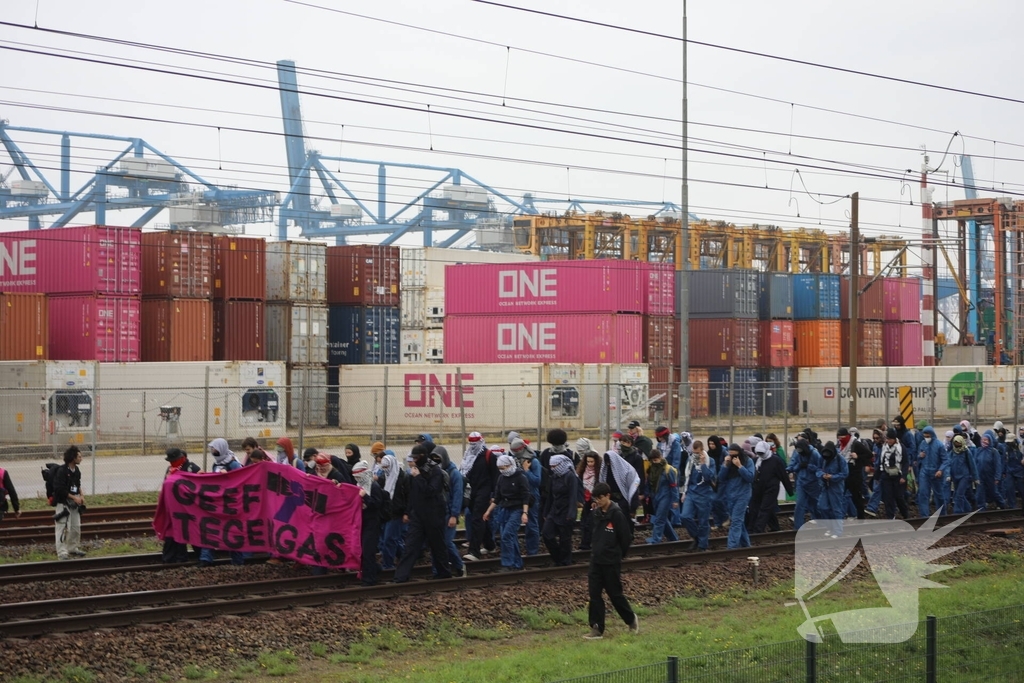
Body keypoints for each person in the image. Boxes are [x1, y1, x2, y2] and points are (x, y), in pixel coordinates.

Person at [583, 482, 639, 640]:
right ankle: (596, 627)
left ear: (608, 496)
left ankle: (631, 619)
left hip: (611, 561)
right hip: (596, 560)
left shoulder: (617, 514)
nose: (599, 501)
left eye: (601, 498)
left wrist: (617, 555)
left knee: (615, 594)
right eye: (596, 498)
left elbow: (625, 538)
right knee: (594, 594)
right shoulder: (596, 513)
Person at [393, 445, 452, 582]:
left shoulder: (434, 470)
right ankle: (400, 577)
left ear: (423, 456)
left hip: (434, 514)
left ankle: (444, 574)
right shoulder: (414, 472)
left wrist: (419, 477)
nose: (414, 460)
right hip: (418, 515)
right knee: (410, 546)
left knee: (437, 546)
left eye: (416, 457)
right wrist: (408, 512)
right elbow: (412, 495)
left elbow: (431, 491)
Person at [483, 454, 531, 572]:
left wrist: (525, 513)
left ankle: (508, 563)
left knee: (507, 536)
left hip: (517, 509)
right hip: (505, 509)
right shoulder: (501, 478)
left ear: (510, 465)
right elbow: (497, 497)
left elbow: (526, 496)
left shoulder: (521, 478)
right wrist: (488, 511)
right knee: (510, 537)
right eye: (500, 468)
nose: (502, 471)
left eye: (503, 468)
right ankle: (517, 563)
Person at [462, 434, 499, 562]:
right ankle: (489, 545)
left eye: (475, 442)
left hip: (484, 492)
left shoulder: (489, 455)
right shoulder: (468, 455)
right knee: (482, 519)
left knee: (477, 519)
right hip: (472, 491)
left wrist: (494, 495)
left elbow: (495, 477)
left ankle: (474, 551)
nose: (473, 445)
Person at [431, 447, 467, 578]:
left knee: (446, 542)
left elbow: (457, 495)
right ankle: (437, 571)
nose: (436, 462)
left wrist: (454, 515)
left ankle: (459, 565)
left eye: (438, 459)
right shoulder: (434, 472)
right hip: (437, 513)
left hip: (448, 513)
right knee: (436, 543)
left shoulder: (454, 474)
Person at [542, 453, 580, 565]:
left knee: (565, 539)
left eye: (555, 466)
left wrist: (571, 514)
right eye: (551, 467)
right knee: (546, 534)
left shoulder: (570, 477)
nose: (553, 469)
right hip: (554, 510)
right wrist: (546, 512)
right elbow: (550, 496)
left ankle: (565, 562)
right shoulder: (554, 477)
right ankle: (558, 557)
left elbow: (573, 496)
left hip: (566, 511)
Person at [749, 440, 793, 533]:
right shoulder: (756, 460)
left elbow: (783, 476)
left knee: (765, 508)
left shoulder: (775, 460)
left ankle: (758, 530)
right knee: (758, 508)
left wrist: (790, 490)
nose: (760, 455)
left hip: (771, 489)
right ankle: (775, 527)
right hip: (758, 489)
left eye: (761, 453)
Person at [352, 460, 384, 586]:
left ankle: (370, 578)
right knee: (363, 550)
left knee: (368, 550)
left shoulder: (374, 487)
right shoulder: (360, 486)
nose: (357, 479)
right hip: (363, 522)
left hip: (372, 523)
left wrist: (365, 496)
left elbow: (377, 504)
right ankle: (373, 570)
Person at [52, 445, 86, 560]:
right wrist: (74, 497)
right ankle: (62, 552)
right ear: (73, 458)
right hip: (63, 503)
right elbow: (59, 489)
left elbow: (78, 484)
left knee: (75, 527)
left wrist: (81, 495)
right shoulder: (61, 471)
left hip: (74, 503)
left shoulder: (77, 471)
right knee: (62, 527)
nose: (81, 459)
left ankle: (72, 548)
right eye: (79, 457)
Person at [681, 443, 717, 551]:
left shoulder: (710, 461)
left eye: (697, 453)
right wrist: (684, 492)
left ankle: (702, 545)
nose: (695, 455)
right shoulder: (690, 460)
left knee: (703, 522)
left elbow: (709, 477)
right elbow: (687, 476)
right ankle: (696, 537)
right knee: (685, 516)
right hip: (691, 492)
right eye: (694, 452)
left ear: (702, 450)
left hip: (704, 494)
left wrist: (703, 464)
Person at [717, 443, 754, 548]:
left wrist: (740, 466)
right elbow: (721, 478)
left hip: (743, 495)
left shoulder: (748, 461)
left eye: (735, 455)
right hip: (730, 495)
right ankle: (746, 545)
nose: (733, 457)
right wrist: (725, 465)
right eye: (731, 454)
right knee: (737, 521)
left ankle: (732, 547)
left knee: (736, 521)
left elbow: (750, 478)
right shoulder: (728, 463)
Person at [511, 437, 542, 556]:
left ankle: (532, 551)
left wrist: (526, 471)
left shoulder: (533, 461)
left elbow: (537, 481)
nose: (515, 453)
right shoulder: (515, 459)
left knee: (532, 524)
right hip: (518, 495)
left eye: (517, 451)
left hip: (531, 496)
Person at [378, 452, 407, 570]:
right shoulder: (384, 477)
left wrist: (406, 513)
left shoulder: (403, 478)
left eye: (387, 467)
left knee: (389, 539)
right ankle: (406, 557)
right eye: (383, 467)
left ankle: (388, 565)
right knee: (392, 539)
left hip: (397, 513)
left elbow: (407, 496)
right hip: (387, 513)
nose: (385, 469)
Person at [645, 448, 679, 544]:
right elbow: (649, 484)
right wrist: (645, 494)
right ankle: (673, 537)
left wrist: (675, 500)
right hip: (655, 497)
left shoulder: (668, 470)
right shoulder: (651, 469)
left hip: (666, 497)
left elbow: (673, 486)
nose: (654, 462)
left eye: (656, 460)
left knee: (659, 518)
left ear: (660, 457)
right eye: (652, 460)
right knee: (662, 517)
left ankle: (656, 539)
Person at [787, 438, 821, 530]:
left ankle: (820, 521)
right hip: (801, 483)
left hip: (813, 484)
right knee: (799, 505)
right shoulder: (797, 453)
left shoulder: (815, 454)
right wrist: (789, 469)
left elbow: (820, 468)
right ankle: (798, 527)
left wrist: (808, 466)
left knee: (815, 505)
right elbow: (793, 463)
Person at [816, 441, 849, 538]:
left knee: (836, 509)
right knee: (822, 507)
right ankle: (830, 528)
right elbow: (817, 469)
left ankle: (837, 531)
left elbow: (845, 473)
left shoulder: (840, 459)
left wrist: (833, 477)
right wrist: (822, 475)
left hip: (836, 487)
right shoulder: (822, 458)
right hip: (825, 485)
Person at [600, 449, 641, 524]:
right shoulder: (605, 471)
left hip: (624, 502)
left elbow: (633, 489)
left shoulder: (628, 471)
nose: (608, 464)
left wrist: (633, 508)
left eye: (609, 462)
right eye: (607, 463)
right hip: (610, 502)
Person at [876, 428, 909, 519]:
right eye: (888, 439)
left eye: (891, 439)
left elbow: (905, 462)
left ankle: (905, 514)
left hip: (898, 475)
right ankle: (890, 516)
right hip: (886, 475)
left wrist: (904, 476)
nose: (889, 441)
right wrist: (877, 476)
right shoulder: (884, 447)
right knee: (888, 497)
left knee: (899, 497)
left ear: (895, 439)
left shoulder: (901, 447)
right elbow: (881, 461)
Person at [916, 426, 949, 516]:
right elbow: (918, 458)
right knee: (923, 494)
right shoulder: (923, 444)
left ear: (932, 435)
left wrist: (940, 470)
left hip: (936, 473)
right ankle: (924, 516)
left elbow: (945, 460)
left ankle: (942, 515)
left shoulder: (939, 445)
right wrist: (920, 456)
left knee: (939, 495)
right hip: (925, 473)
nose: (926, 438)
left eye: (928, 436)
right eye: (925, 436)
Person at [974, 430, 1007, 510]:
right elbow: (975, 463)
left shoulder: (994, 452)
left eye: (986, 440)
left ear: (990, 441)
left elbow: (998, 465)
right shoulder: (978, 450)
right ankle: (981, 508)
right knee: (980, 492)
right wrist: (975, 476)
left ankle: (1002, 504)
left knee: (994, 492)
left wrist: (997, 477)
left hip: (991, 476)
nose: (984, 441)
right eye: (983, 440)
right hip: (980, 476)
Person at [947, 435, 979, 514]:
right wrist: (948, 475)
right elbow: (948, 464)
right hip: (955, 477)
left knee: (959, 495)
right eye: (955, 443)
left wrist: (975, 477)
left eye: (959, 443)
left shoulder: (966, 452)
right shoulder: (952, 453)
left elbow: (972, 465)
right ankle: (968, 508)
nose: (957, 445)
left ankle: (958, 512)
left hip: (964, 477)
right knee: (959, 495)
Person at [577, 450, 603, 551]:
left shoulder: (599, 472)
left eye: (592, 462)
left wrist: (595, 499)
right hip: (585, 498)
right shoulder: (582, 470)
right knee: (584, 520)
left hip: (594, 499)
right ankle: (585, 540)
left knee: (590, 521)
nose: (590, 464)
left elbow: (599, 485)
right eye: (588, 461)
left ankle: (587, 542)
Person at [616, 434, 645, 520]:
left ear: (630, 443)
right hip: (622, 487)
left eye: (625, 442)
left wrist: (641, 491)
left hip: (633, 486)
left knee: (631, 512)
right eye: (621, 442)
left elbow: (640, 474)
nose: (622, 445)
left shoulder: (636, 457)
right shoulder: (620, 456)